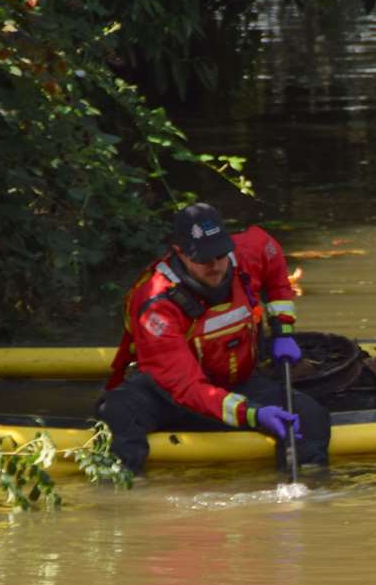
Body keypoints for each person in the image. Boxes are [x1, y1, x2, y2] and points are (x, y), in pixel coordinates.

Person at [98, 202, 331, 476]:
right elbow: (186, 387)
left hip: (239, 382)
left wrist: (283, 330)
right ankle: (124, 496)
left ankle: (312, 490)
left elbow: (272, 256)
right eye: (204, 259)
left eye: (221, 255)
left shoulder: (246, 253)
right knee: (118, 411)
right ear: (180, 253)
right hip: (170, 395)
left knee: (309, 415)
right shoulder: (156, 306)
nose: (216, 266)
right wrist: (254, 414)